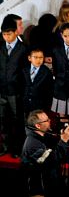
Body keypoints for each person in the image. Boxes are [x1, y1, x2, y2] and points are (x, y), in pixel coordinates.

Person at [21, 110, 69, 197]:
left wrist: (64, 139)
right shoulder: (32, 144)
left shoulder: (44, 135)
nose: (50, 120)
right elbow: (52, 159)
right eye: (47, 120)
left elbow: (61, 154)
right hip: (40, 190)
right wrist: (64, 140)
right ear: (38, 125)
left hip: (51, 183)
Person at [0, 15, 26, 157]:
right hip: (1, 92)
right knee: (2, 121)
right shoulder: (0, 47)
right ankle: (5, 146)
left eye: (9, 34)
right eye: (4, 34)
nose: (6, 37)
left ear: (15, 33)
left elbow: (24, 72)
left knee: (17, 122)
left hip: (16, 92)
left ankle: (17, 149)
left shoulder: (23, 49)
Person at [22, 47, 53, 116]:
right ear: (29, 58)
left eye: (41, 57)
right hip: (25, 103)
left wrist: (47, 107)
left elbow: (49, 91)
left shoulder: (47, 72)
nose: (38, 60)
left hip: (40, 105)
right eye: (35, 57)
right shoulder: (24, 70)